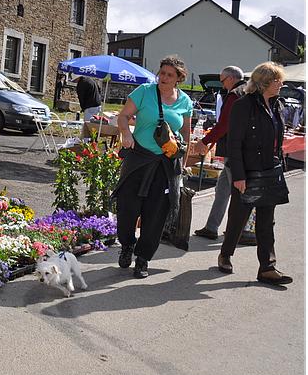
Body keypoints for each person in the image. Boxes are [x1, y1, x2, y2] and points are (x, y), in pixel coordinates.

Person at [113, 55, 193, 278]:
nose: (164, 78)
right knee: (127, 208)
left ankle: (143, 258)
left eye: (170, 75)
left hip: (166, 165)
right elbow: (123, 117)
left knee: (156, 213)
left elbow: (185, 134)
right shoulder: (144, 91)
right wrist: (126, 133)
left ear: (178, 78)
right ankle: (127, 245)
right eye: (162, 73)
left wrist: (183, 166)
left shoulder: (185, 101)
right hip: (138, 159)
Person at [217, 62, 292, 286]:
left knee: (267, 221)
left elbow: (277, 139)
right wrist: (239, 175)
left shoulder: (276, 105)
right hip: (247, 171)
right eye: (278, 80)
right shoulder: (243, 105)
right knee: (238, 217)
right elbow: (234, 142)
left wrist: (281, 165)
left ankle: (267, 267)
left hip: (270, 170)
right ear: (264, 82)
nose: (281, 84)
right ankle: (226, 254)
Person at [192, 66, 245, 240]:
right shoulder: (248, 91)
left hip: (234, 150)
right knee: (222, 189)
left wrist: (205, 141)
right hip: (240, 148)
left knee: (240, 194)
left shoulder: (235, 94)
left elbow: (224, 124)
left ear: (230, 78)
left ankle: (241, 231)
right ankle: (212, 226)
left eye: (222, 81)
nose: (222, 85)